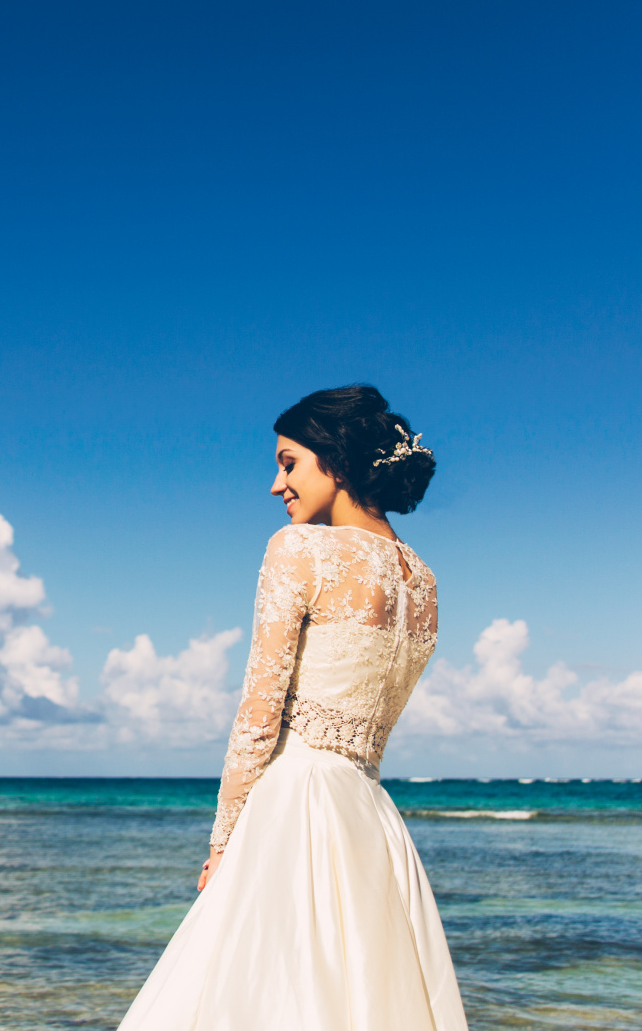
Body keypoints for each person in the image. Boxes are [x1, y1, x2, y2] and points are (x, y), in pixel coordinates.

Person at [118, 384, 469, 1031]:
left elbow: (259, 712)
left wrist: (224, 844)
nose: (275, 485)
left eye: (288, 463)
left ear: (334, 460)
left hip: (294, 805)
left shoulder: (299, 551)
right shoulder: (422, 579)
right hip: (370, 817)